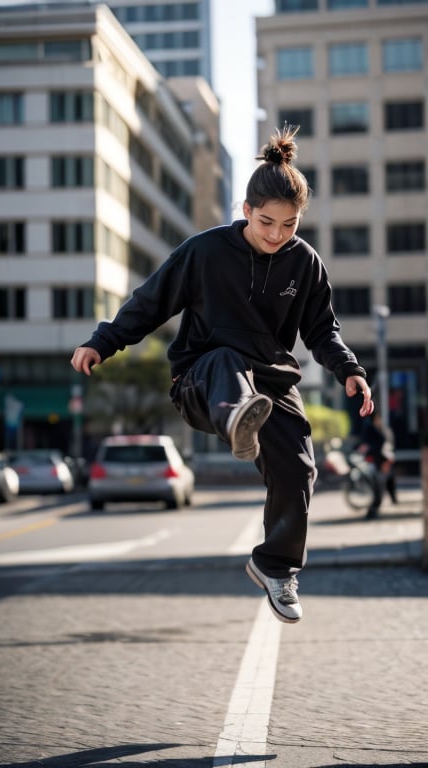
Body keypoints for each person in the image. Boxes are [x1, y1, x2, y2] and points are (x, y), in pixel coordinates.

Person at [71, 125, 374, 624]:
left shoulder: (305, 264)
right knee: (226, 358)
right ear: (246, 210)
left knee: (300, 467)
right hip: (200, 379)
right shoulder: (205, 252)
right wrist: (103, 341)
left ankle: (274, 565)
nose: (277, 235)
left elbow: (323, 329)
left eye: (289, 225)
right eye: (266, 222)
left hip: (272, 384)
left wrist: (349, 370)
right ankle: (238, 418)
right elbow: (150, 302)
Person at [357, 411, 397, 519]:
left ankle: (373, 512)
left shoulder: (378, 429)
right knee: (379, 489)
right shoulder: (373, 428)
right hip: (378, 461)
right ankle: (372, 512)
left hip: (380, 461)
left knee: (380, 488)